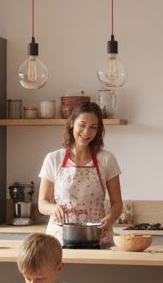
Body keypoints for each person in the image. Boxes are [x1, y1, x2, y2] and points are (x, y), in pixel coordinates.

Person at [38, 101, 123, 247]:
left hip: (97, 236)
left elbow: (117, 204)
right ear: (71, 123)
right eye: (82, 125)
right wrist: (53, 208)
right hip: (60, 238)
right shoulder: (53, 159)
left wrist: (109, 219)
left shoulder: (106, 159)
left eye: (93, 127)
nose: (86, 132)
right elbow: (42, 203)